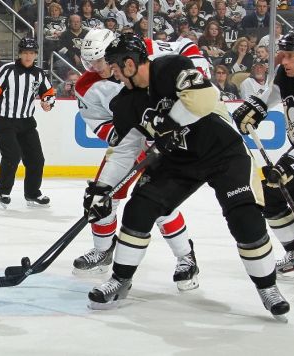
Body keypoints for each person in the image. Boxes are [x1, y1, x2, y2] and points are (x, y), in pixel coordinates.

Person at [86, 33, 289, 321]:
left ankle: (268, 288)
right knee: (139, 209)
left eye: (115, 66)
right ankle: (120, 279)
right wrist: (101, 188)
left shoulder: (170, 68)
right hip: (178, 161)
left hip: (224, 152)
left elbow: (204, 97)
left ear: (129, 64)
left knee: (245, 218)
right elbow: (123, 150)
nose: (113, 73)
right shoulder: (125, 103)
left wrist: (169, 123)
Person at [73, 29, 200, 291]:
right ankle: (103, 251)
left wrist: (197, 75)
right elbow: (98, 123)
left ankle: (186, 258)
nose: (97, 68)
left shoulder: (144, 50)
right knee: (101, 196)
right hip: (131, 144)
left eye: (100, 61)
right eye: (90, 63)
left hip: (166, 139)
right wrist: (123, 133)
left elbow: (187, 46)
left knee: (158, 203)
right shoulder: (86, 86)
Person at [232, 28, 294, 281]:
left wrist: (291, 163)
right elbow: (274, 93)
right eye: (282, 55)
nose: (283, 61)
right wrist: (256, 107)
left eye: (289, 56)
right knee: (271, 194)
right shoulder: (286, 75)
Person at [0, 37, 55, 208]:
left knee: (37, 159)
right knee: (12, 155)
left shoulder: (39, 73)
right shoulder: (7, 70)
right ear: (19, 53)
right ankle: (3, 191)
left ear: (35, 55)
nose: (28, 56)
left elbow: (48, 92)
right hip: (3, 120)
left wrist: (48, 102)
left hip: (26, 122)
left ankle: (32, 194)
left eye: (31, 53)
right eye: (25, 52)